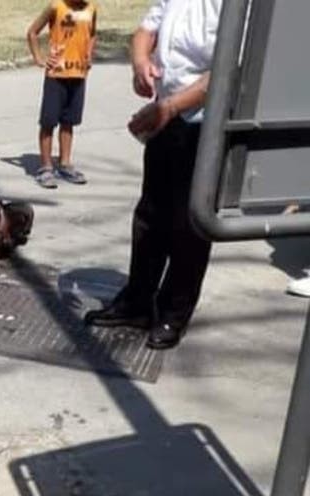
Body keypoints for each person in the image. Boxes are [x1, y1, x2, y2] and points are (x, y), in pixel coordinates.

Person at [84, 0, 220, 350]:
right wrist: (140, 62)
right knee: (151, 214)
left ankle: (174, 312)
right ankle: (137, 302)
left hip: (205, 123)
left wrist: (170, 107)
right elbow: (146, 29)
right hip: (166, 114)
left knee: (189, 223)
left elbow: (227, 71)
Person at [26, 0, 98, 189]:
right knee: (48, 121)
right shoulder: (56, 6)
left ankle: (65, 163)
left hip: (78, 74)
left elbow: (92, 34)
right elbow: (32, 32)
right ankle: (46, 167)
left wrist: (89, 54)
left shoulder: (91, 8)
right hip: (57, 74)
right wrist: (39, 58)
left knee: (69, 121)